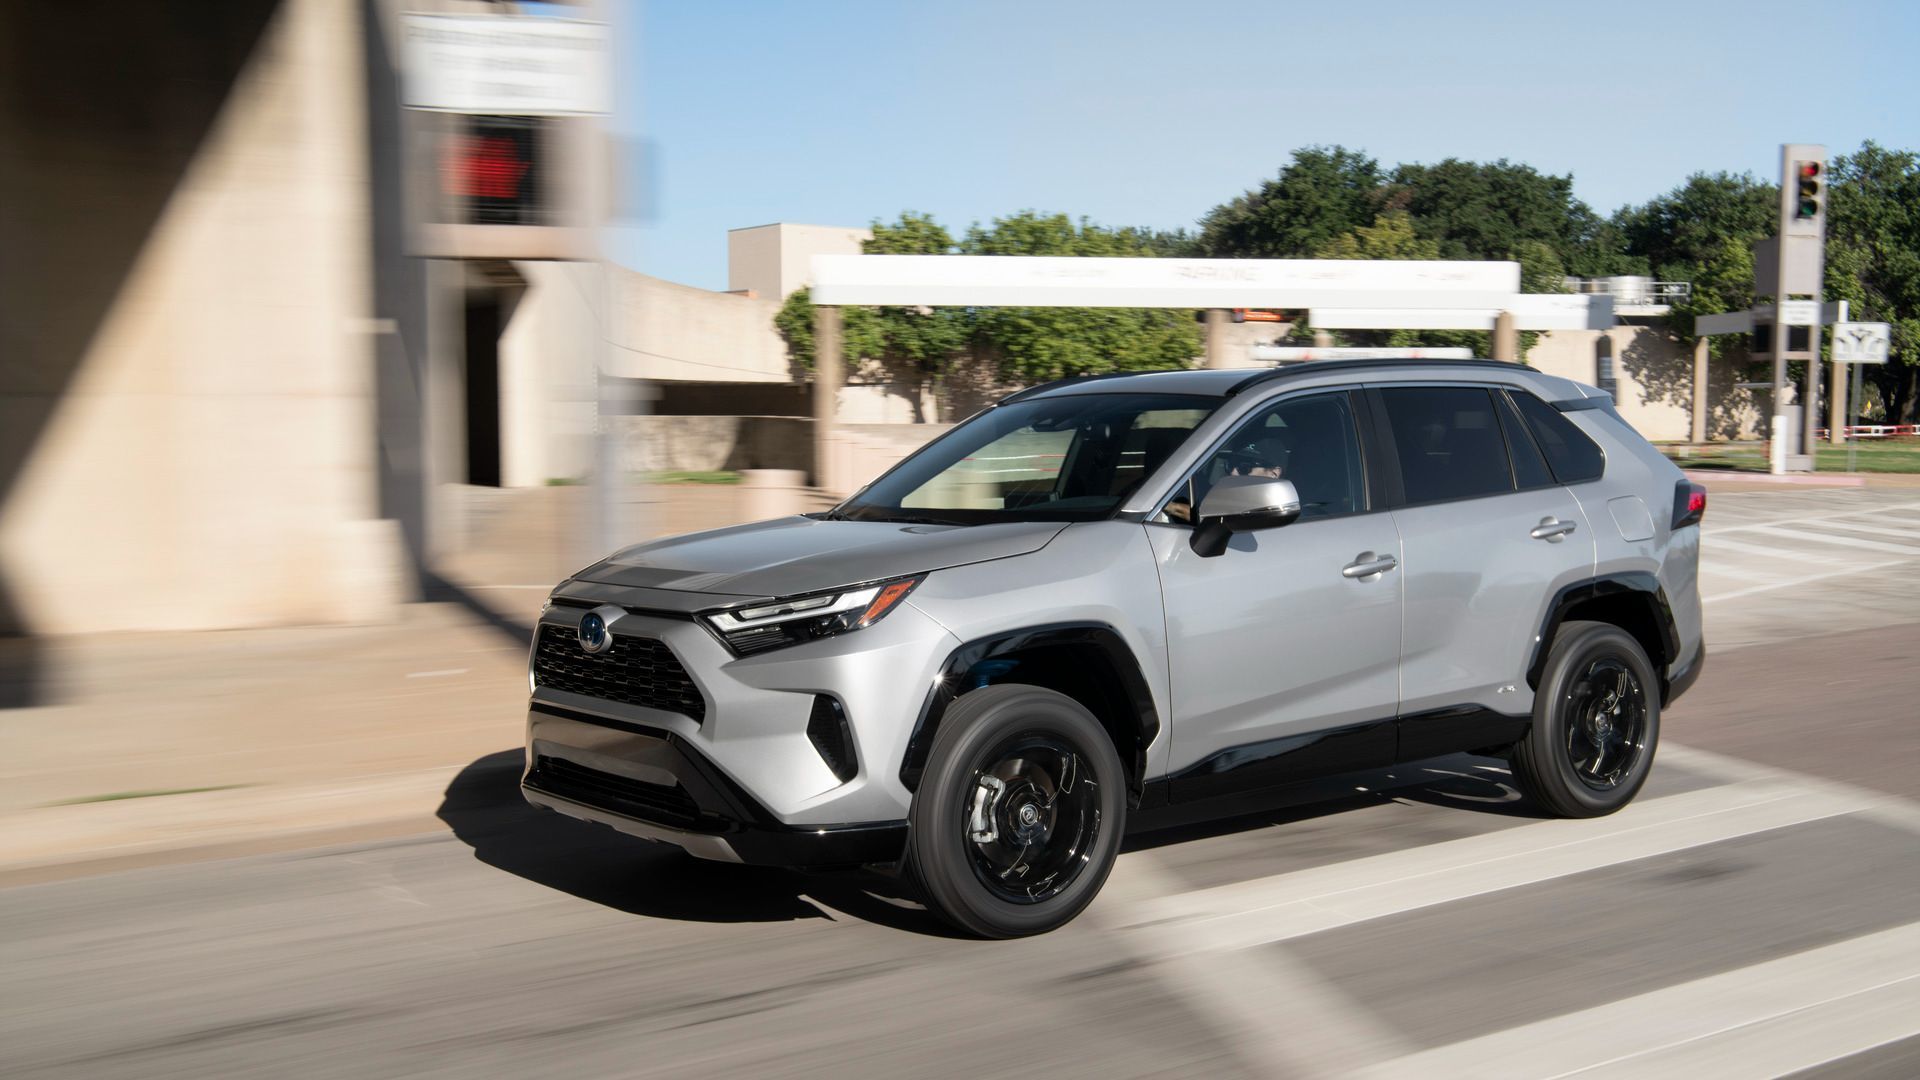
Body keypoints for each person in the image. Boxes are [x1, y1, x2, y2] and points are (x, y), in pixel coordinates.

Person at [1164, 435, 1290, 524]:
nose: (1232, 472)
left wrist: (1168, 506)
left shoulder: (1274, 513)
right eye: (1230, 464)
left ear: (1274, 474)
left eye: (1244, 468)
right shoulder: (1228, 498)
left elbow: (1213, 522)